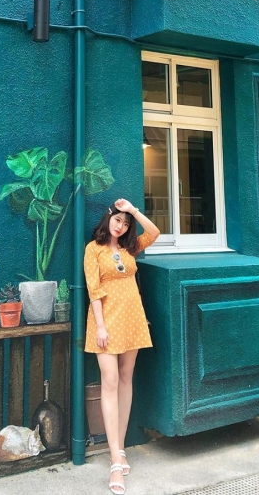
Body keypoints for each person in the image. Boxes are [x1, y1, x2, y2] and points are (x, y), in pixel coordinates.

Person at [84, 198, 160, 495]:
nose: (121, 226)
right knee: (110, 380)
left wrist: (134, 211)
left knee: (126, 379)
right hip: (105, 320)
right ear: (108, 220)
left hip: (132, 318)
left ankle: (120, 449)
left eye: (126, 223)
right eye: (117, 220)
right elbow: (93, 290)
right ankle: (115, 460)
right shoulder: (93, 249)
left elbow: (154, 233)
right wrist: (100, 326)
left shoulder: (130, 248)